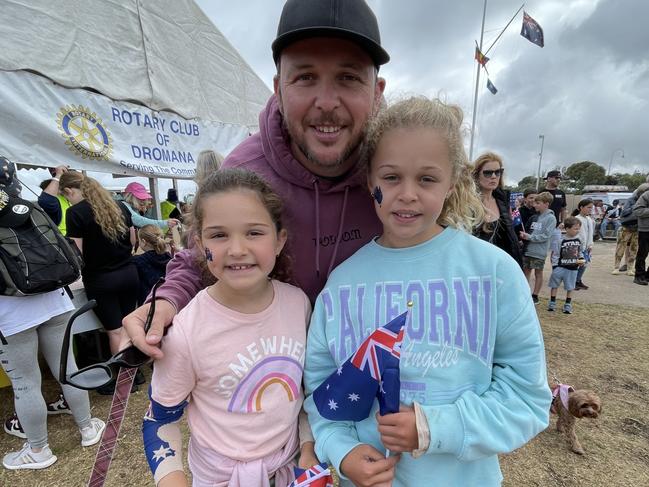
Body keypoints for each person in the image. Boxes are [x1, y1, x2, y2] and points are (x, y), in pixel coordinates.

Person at [304, 97, 550, 487]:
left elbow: (527, 398)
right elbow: (320, 387)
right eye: (391, 177)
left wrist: (435, 427)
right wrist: (341, 450)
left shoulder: (494, 272)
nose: (407, 194)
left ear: (453, 180)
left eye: (427, 179)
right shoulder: (342, 284)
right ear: (370, 179)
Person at [122, 0, 388, 358]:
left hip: (379, 373)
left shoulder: (397, 167)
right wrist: (167, 300)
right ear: (278, 88)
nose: (326, 102)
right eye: (306, 77)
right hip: (277, 376)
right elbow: (202, 256)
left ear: (377, 91)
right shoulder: (245, 172)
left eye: (349, 77)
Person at [142, 169, 317, 486]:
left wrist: (307, 447)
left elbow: (303, 390)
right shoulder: (185, 332)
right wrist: (173, 480)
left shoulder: (298, 304)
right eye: (219, 235)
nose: (237, 249)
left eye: (254, 233)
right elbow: (160, 419)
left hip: (289, 470)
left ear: (279, 240)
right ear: (199, 244)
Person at [0, 168, 105, 470]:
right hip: (55, 298)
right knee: (67, 368)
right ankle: (87, 427)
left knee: (25, 383)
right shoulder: (29, 208)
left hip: (10, 313)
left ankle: (38, 450)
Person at [59, 172, 139, 358]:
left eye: (66, 196)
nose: (68, 200)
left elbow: (76, 253)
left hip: (101, 280)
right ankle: (136, 374)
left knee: (115, 331)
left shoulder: (75, 213)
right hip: (129, 273)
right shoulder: (120, 206)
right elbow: (133, 239)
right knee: (129, 325)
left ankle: (124, 376)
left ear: (70, 191)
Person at [472, 151, 523, 267]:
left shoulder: (502, 202)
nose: (494, 176)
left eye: (498, 172)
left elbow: (510, 238)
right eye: (488, 173)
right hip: (476, 266)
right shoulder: (467, 203)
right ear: (476, 175)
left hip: (501, 265)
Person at [520, 192, 557, 304]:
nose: (535, 205)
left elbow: (546, 236)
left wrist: (529, 237)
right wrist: (524, 238)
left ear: (546, 204)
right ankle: (525, 293)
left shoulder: (551, 218)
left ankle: (535, 295)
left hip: (539, 252)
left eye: (538, 203)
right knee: (526, 271)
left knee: (538, 273)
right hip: (528, 250)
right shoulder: (535, 217)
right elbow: (531, 231)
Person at [547, 216, 584, 314]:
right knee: (554, 285)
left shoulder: (579, 240)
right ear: (567, 229)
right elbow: (555, 254)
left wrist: (581, 259)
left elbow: (580, 252)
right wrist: (555, 267)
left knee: (570, 287)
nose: (577, 231)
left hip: (572, 268)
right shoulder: (561, 240)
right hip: (560, 267)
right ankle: (552, 302)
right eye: (575, 228)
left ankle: (567, 304)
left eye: (578, 229)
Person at [132, 225, 172, 306]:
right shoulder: (168, 257)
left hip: (149, 303)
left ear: (143, 242)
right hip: (168, 299)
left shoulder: (138, 261)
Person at [37, 165, 71, 234]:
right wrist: (58, 176)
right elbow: (46, 200)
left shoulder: (71, 200)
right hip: (66, 242)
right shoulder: (55, 201)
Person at [572, 199, 595, 290]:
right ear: (581, 207)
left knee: (584, 264)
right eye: (588, 207)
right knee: (579, 264)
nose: (590, 209)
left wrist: (590, 244)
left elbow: (590, 233)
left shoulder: (589, 219)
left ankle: (578, 280)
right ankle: (574, 281)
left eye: (591, 208)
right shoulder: (577, 219)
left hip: (587, 247)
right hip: (579, 247)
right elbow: (578, 234)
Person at [632, 183, 649, 285]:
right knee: (643, 254)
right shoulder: (646, 195)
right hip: (645, 230)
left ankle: (647, 276)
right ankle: (639, 276)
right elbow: (637, 210)